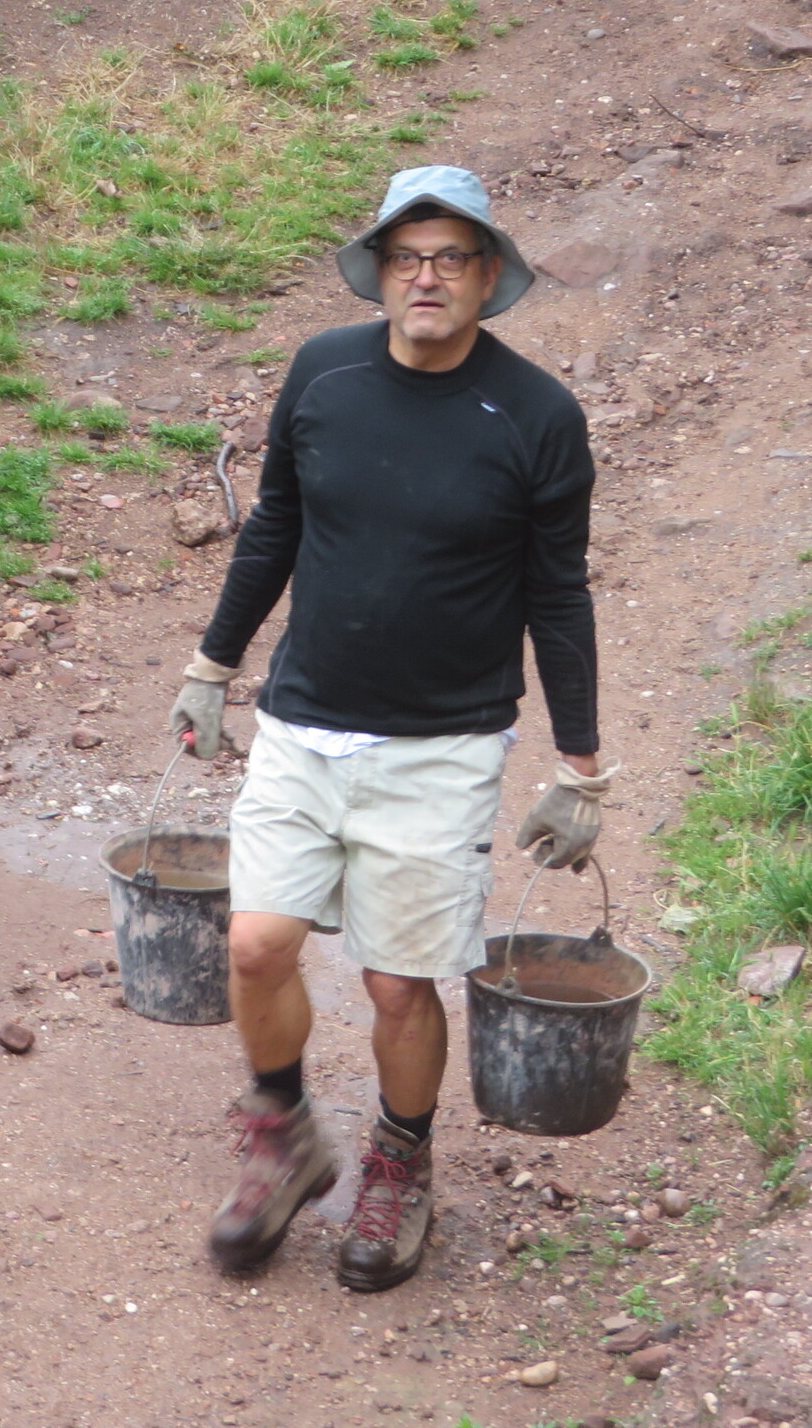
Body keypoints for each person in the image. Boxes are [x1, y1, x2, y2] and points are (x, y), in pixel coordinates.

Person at [166, 165, 607, 1293]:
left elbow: (558, 595)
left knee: (399, 984)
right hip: (305, 722)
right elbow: (274, 526)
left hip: (444, 745)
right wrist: (212, 668)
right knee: (257, 944)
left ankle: (400, 1162)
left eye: (451, 257)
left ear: (489, 277)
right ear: (378, 271)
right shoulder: (324, 373)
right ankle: (285, 1135)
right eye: (407, 257)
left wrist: (581, 766)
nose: (427, 277)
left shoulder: (539, 418)